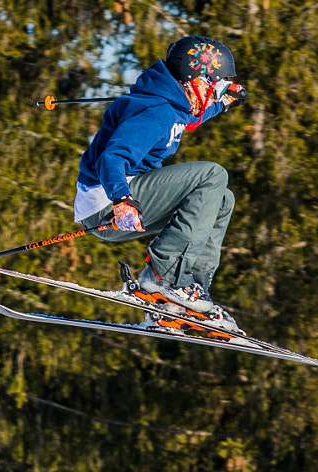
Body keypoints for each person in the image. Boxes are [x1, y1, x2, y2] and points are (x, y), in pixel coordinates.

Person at [72, 35, 247, 331]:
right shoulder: (157, 112)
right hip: (108, 203)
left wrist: (225, 102)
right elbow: (112, 158)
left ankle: (189, 290)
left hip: (125, 196)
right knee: (212, 174)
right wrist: (122, 200)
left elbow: (191, 117)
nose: (212, 94)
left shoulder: (173, 106)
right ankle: (164, 277)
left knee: (221, 200)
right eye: (212, 85)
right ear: (194, 80)